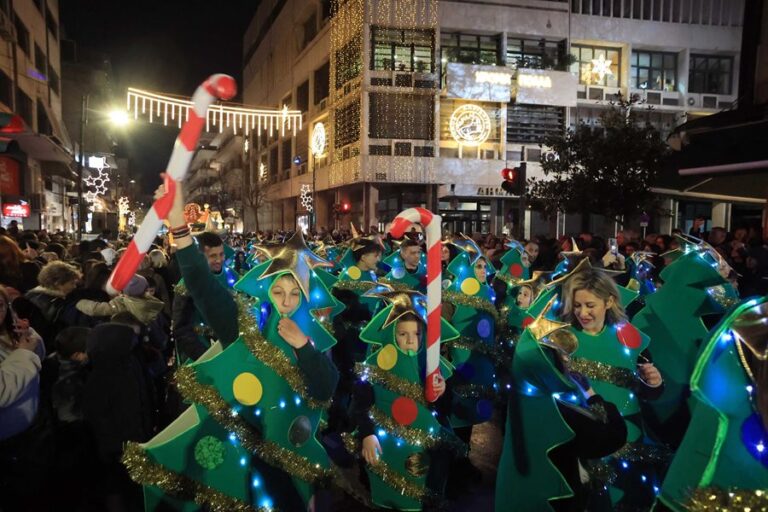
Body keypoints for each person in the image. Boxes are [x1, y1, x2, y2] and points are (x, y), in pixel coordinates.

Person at [124, 179, 339, 511]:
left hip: (295, 454)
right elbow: (202, 287)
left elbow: (326, 389)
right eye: (279, 292)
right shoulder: (244, 327)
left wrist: (304, 347)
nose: (286, 300)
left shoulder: (315, 334)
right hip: (246, 456)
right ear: (267, 291)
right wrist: (180, 226)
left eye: (295, 293)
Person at [496, 309, 627, 511]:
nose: (566, 361)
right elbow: (614, 436)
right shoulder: (562, 416)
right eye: (561, 357)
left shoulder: (520, 400)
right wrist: (592, 395)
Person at [561, 267, 664, 510]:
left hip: (627, 435)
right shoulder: (562, 339)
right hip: (583, 437)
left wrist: (655, 383)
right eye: (577, 305)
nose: (582, 313)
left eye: (590, 305)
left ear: (608, 302)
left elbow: (650, 392)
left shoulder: (628, 338)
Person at [350, 290, 463, 511]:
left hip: (422, 445)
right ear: (392, 335)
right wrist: (367, 434)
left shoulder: (429, 366)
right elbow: (360, 405)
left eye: (417, 334)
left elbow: (440, 409)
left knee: (424, 490)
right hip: (387, 445)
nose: (411, 340)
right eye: (402, 334)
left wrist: (441, 390)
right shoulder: (374, 367)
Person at [0, 285, 49, 510]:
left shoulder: (9, 333)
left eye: (0, 305)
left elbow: (37, 362)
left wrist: (30, 337)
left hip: (30, 433)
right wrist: (25, 353)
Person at [172, 231, 238, 364]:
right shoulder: (186, 285)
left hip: (233, 349)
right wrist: (206, 358)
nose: (219, 260)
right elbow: (181, 329)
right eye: (212, 256)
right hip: (202, 354)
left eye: (221, 254)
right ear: (200, 257)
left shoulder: (234, 277)